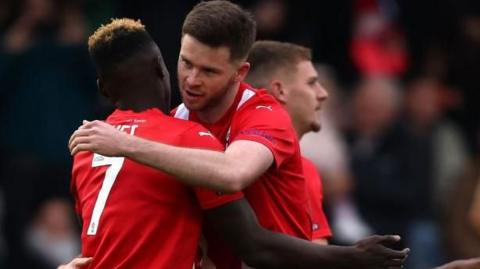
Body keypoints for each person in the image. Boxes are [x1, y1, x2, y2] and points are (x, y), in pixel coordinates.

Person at [68, 1, 408, 268]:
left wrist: (125, 144)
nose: (191, 80)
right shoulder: (178, 127)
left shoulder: (264, 114)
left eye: (209, 71)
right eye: (186, 63)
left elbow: (232, 173)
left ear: (240, 72)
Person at [245, 40, 331, 245]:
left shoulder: (306, 169)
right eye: (311, 83)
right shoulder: (300, 170)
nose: (323, 94)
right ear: (280, 90)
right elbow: (317, 257)